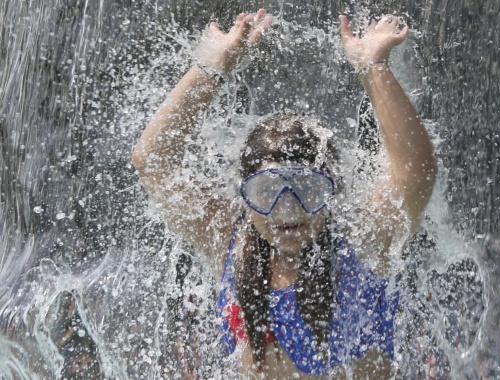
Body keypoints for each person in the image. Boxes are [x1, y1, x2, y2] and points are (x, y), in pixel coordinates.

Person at [132, 9, 437, 379]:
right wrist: (210, 67)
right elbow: (152, 162)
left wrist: (374, 67)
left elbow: (416, 174)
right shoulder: (229, 237)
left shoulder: (360, 241)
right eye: (267, 191)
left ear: (330, 189)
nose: (287, 210)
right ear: (245, 193)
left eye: (306, 188)